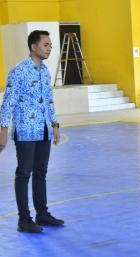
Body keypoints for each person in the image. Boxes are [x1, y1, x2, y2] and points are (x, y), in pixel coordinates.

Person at [0, 30, 64, 233]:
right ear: (33, 46)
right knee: (23, 173)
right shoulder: (18, 71)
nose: (49, 48)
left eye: (50, 45)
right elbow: (7, 102)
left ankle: (42, 214)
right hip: (26, 131)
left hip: (44, 130)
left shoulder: (45, 72)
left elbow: (49, 101)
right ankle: (24, 219)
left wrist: (55, 125)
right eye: (46, 45)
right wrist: (3, 131)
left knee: (41, 173)